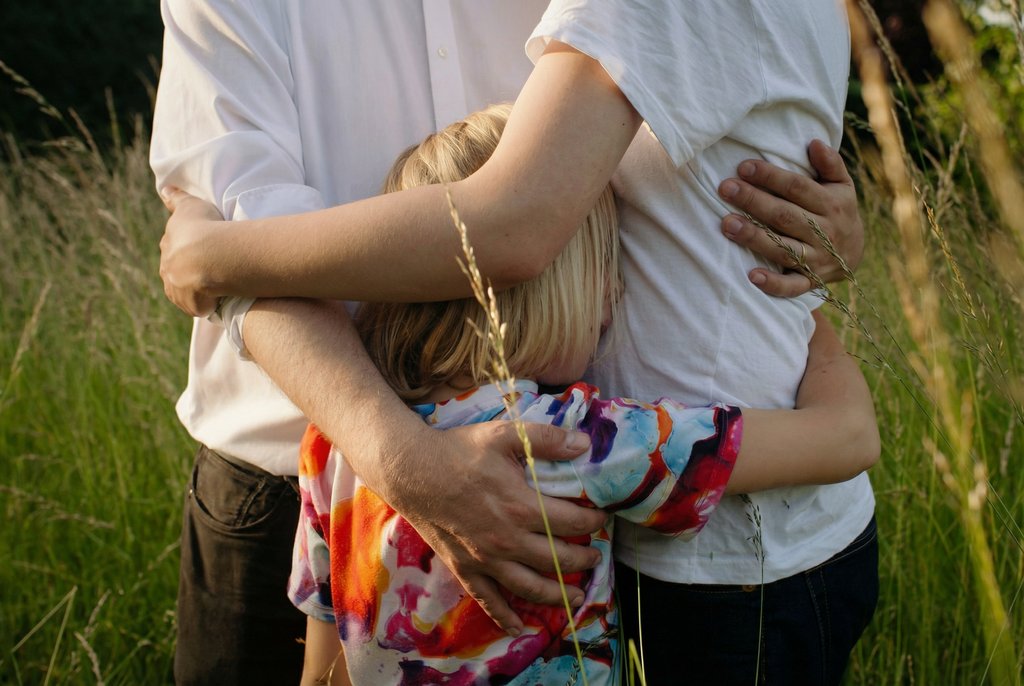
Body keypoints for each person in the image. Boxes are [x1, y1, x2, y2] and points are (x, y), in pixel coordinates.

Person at [152, 1, 870, 683]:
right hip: (291, 467)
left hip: (464, 484)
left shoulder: (580, 443)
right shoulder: (584, 445)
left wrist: (808, 229)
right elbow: (242, 229)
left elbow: (658, 152)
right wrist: (399, 458)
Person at [286, 104, 876, 686]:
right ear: (544, 283)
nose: (615, 294)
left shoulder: (334, 442)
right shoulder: (574, 440)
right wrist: (807, 308)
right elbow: (849, 437)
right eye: (604, 266)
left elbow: (322, 670)